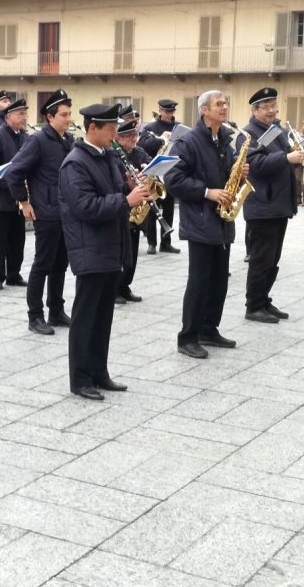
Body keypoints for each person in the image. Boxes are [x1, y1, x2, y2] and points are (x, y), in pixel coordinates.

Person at [59, 103, 148, 400]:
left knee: (103, 317)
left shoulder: (107, 156)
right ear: (93, 128)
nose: (114, 135)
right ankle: (80, 379)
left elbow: (113, 194)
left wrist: (131, 187)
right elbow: (86, 207)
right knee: (85, 317)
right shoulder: (75, 163)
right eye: (110, 129)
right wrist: (127, 200)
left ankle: (99, 372)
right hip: (90, 249)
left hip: (110, 247)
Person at [165, 90, 243, 359]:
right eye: (219, 104)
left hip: (222, 219)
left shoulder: (224, 138)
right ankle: (187, 336)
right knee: (199, 281)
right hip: (200, 219)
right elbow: (172, 179)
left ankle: (210, 328)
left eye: (225, 103)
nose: (225, 107)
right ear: (204, 111)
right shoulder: (188, 142)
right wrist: (206, 192)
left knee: (219, 280)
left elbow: (226, 172)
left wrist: (238, 170)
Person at [3, 89, 74, 336]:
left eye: (69, 114)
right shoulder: (38, 141)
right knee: (42, 264)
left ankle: (56, 309)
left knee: (60, 265)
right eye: (64, 115)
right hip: (46, 212)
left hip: (66, 213)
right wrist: (24, 202)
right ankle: (35, 315)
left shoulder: (69, 141)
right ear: (50, 117)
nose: (69, 118)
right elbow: (14, 172)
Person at [242, 87, 304, 324]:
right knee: (261, 258)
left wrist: (298, 158)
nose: (272, 111)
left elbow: (284, 159)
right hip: (262, 204)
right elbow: (254, 164)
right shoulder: (248, 134)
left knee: (273, 258)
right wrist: (286, 158)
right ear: (255, 110)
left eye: (274, 106)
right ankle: (253, 305)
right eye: (266, 107)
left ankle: (264, 299)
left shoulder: (276, 130)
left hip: (278, 203)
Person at [0, 98, 29, 291]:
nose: (24, 117)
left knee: (18, 240)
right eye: (21, 114)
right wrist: (13, 182)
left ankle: (14, 274)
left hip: (20, 200)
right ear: (8, 117)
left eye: (25, 114)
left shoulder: (26, 137)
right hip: (0, 199)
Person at [113, 117, 149, 304]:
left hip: (137, 207)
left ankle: (126, 285)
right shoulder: (114, 156)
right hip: (123, 206)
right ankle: (115, 288)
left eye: (135, 135)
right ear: (118, 139)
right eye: (128, 137)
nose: (134, 139)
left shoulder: (140, 152)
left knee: (133, 251)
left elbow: (151, 166)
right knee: (121, 251)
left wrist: (148, 171)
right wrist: (129, 184)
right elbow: (116, 183)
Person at [140, 99, 181, 255]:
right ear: (160, 110)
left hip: (169, 171)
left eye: (171, 112)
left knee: (169, 209)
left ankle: (166, 243)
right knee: (152, 208)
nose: (169, 115)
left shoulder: (178, 127)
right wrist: (161, 139)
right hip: (155, 172)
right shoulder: (151, 127)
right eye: (166, 111)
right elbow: (143, 145)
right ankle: (152, 243)